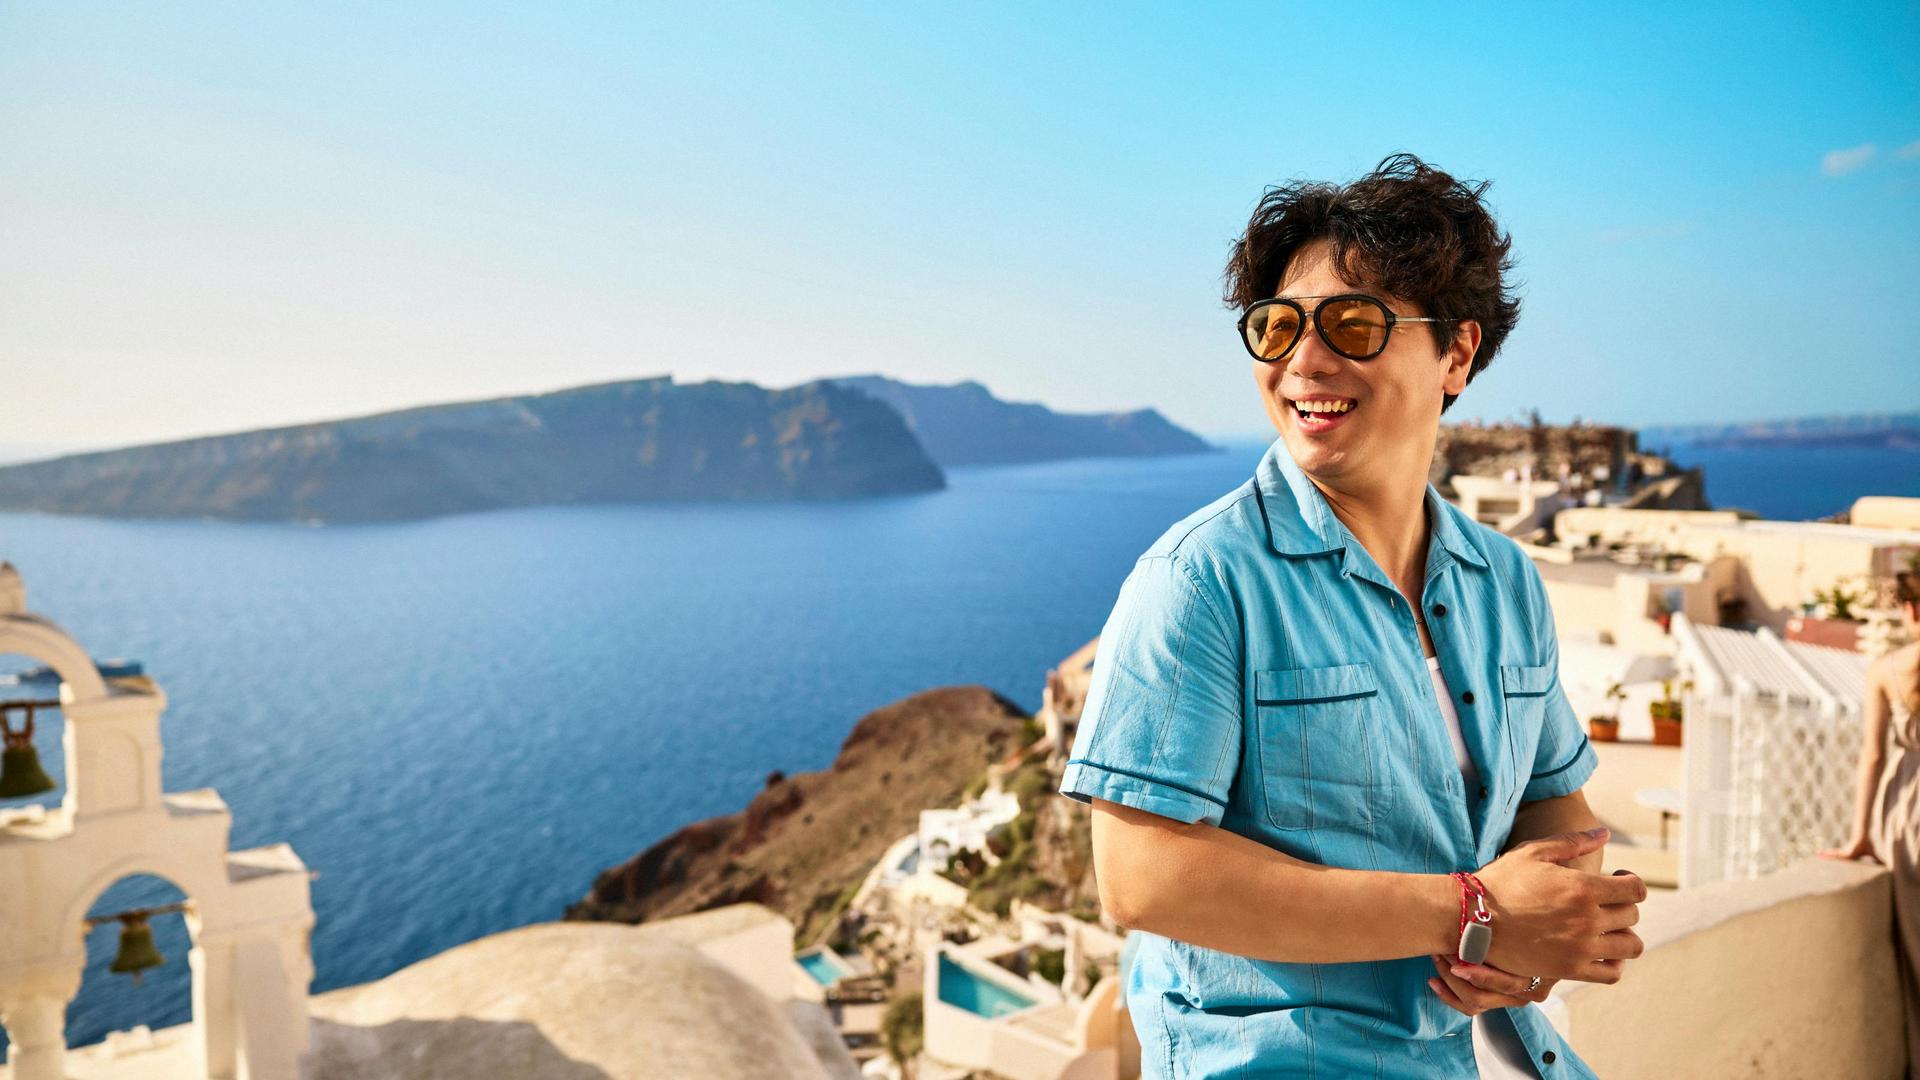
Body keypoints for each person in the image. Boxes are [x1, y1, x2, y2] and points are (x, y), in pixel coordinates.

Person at [1057, 154, 1646, 1079]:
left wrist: (1536, 944)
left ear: (1457, 354)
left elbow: (1552, 803)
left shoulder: (1504, 579)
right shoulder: (1202, 579)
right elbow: (1143, 878)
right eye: (1277, 326)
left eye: (1354, 324)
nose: (1302, 360)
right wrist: (1474, 913)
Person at [1819, 568, 1920, 1077]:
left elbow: (1873, 756)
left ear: (1911, 609)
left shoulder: (1889, 669)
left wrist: (1860, 836)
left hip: (1910, 819)